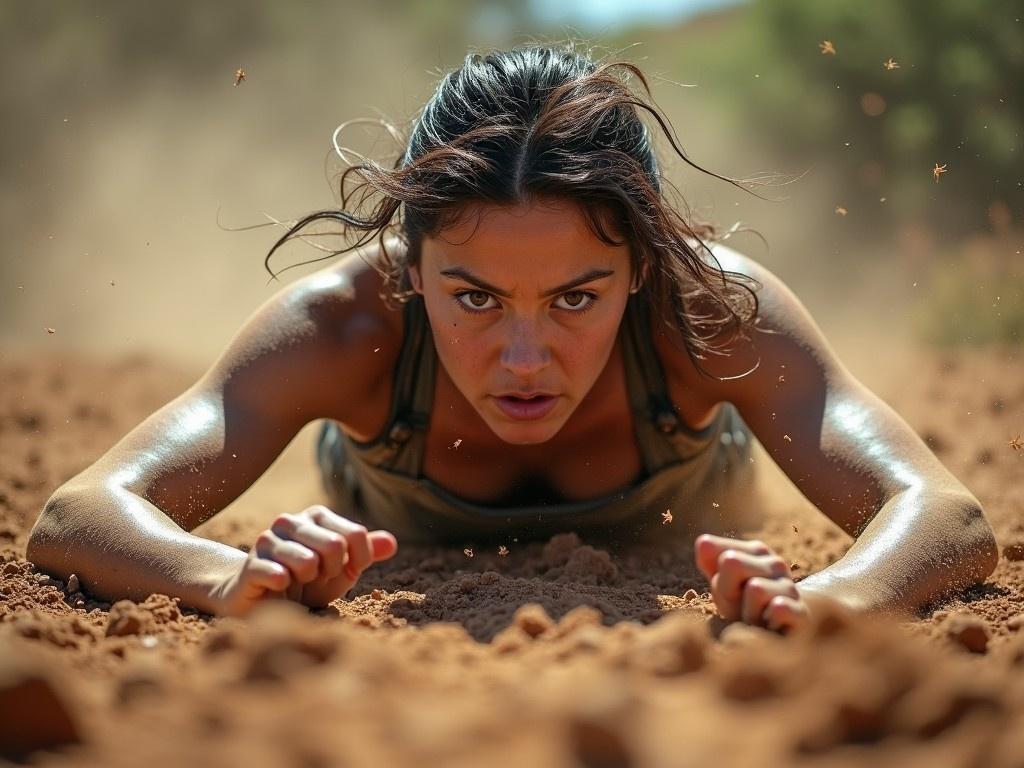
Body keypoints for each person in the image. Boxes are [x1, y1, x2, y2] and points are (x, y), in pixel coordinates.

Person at [27, 46, 997, 629]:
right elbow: (79, 515)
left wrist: (836, 600)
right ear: (411, 267)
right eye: (476, 299)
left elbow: (945, 517)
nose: (525, 358)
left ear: (643, 265)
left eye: (577, 299)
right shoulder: (347, 325)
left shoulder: (706, 315)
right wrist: (227, 576)